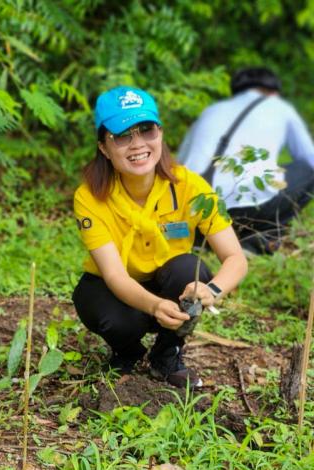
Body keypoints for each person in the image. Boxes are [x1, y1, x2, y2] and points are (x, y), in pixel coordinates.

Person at [72, 86, 248, 388]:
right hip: (119, 291)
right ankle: (127, 351)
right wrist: (153, 306)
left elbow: (236, 258)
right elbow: (113, 275)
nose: (138, 144)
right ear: (103, 146)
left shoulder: (190, 186)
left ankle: (167, 354)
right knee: (97, 305)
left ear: (160, 133)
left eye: (146, 130)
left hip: (171, 287)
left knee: (188, 268)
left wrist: (212, 290)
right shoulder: (90, 197)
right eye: (123, 136)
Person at [178, 67, 314, 254]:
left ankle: (202, 240)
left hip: (192, 213)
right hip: (246, 214)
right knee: (307, 170)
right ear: (274, 92)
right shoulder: (281, 108)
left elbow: (179, 163)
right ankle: (255, 242)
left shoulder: (211, 110)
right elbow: (309, 159)